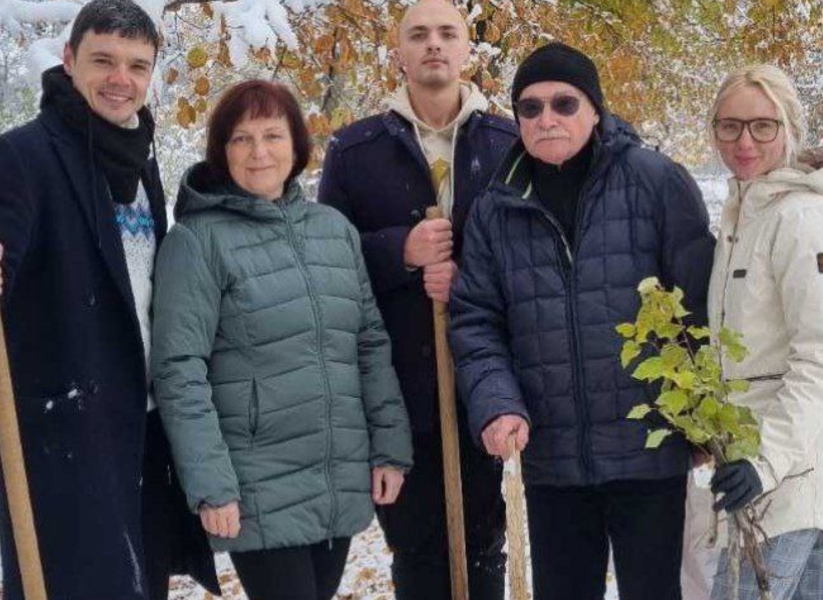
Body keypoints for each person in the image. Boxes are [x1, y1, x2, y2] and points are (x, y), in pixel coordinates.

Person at [0, 1, 218, 598]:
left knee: (143, 579)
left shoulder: (141, 160)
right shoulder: (23, 155)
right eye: (104, 61)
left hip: (143, 422)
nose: (122, 79)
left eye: (138, 66)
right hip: (69, 427)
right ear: (69, 60)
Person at [450, 42, 716, 600]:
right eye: (530, 107)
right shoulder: (496, 208)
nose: (547, 118)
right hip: (552, 459)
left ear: (595, 109)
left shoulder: (656, 182)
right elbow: (476, 321)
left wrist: (696, 417)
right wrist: (497, 403)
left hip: (648, 452)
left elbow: (697, 303)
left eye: (564, 104)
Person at [150, 79, 414, 600]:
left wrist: (389, 448)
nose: (258, 152)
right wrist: (212, 485)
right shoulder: (197, 241)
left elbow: (368, 344)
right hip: (257, 481)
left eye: (272, 135)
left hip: (336, 469)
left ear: (296, 145)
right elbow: (179, 368)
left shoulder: (333, 230)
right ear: (221, 152)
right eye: (241, 139)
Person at [317, 1, 517, 597]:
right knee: (416, 542)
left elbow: (533, 253)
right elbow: (328, 258)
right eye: (419, 35)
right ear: (398, 52)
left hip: (488, 380)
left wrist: (473, 278)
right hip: (400, 382)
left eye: (447, 33)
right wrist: (399, 252)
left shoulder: (510, 144)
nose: (434, 44)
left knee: (483, 539)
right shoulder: (355, 150)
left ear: (467, 51)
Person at [697, 64, 823, 600]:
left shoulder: (804, 219)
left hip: (791, 471)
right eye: (730, 126)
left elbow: (822, 361)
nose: (745, 141)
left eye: (762, 126)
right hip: (765, 465)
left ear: (789, 128)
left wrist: (764, 461)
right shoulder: (746, 214)